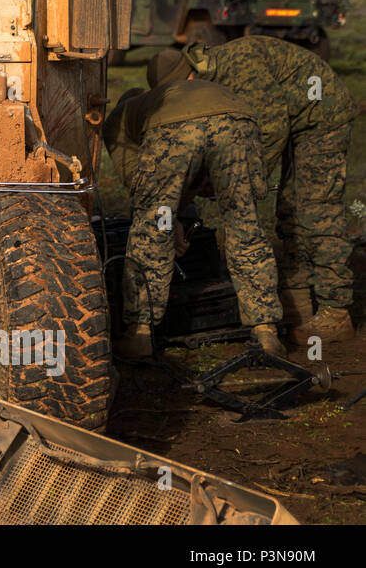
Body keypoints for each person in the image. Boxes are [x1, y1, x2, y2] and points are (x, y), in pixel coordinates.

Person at [148, 37, 356, 345]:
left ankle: (336, 311)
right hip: (295, 116)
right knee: (288, 209)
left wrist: (246, 181)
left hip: (322, 116)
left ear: (189, 75)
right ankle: (297, 298)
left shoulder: (240, 67)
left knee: (316, 209)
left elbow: (272, 129)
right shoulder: (209, 80)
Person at [103, 80, 284, 358]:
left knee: (152, 229)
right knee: (244, 224)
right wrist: (177, 214)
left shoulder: (119, 120)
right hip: (238, 120)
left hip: (177, 129)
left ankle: (139, 334)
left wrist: (168, 219)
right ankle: (266, 331)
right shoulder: (178, 92)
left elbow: (142, 192)